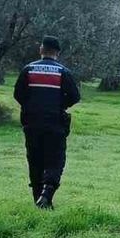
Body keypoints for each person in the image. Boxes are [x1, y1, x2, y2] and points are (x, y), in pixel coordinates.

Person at [14, 38, 81, 209]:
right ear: (58, 52)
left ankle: (38, 198)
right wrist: (59, 106)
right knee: (55, 160)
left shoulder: (28, 69)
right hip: (55, 123)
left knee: (35, 160)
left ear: (41, 49)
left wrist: (31, 106)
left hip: (32, 123)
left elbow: (18, 94)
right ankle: (46, 195)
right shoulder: (63, 72)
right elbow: (75, 96)